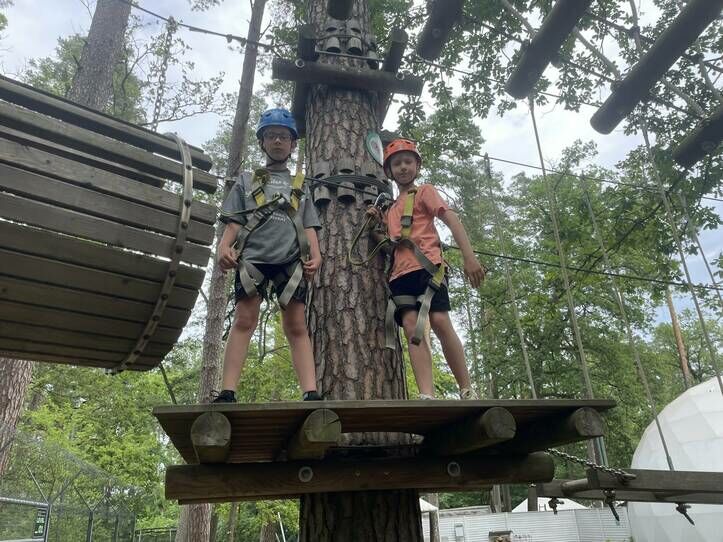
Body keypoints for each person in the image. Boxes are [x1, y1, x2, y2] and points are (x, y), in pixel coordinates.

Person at [213, 108, 322, 403]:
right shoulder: (247, 180)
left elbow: (309, 224)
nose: (277, 141)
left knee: (296, 325)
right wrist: (224, 247)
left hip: (291, 259)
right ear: (262, 141)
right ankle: (227, 391)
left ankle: (310, 392)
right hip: (253, 258)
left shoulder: (300, 184)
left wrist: (317, 255)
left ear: (293, 144)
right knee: (244, 319)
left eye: (284, 137)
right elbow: (234, 221)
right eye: (271, 136)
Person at [366, 138, 485, 400]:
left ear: (417, 166)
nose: (403, 167)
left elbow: (450, 218)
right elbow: (388, 245)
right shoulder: (390, 210)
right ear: (389, 171)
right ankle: (426, 393)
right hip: (400, 274)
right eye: (397, 164)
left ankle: (466, 388)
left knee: (440, 320)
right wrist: (375, 226)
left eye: (408, 162)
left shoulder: (424, 192)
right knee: (412, 326)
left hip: (428, 266)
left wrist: (469, 257)